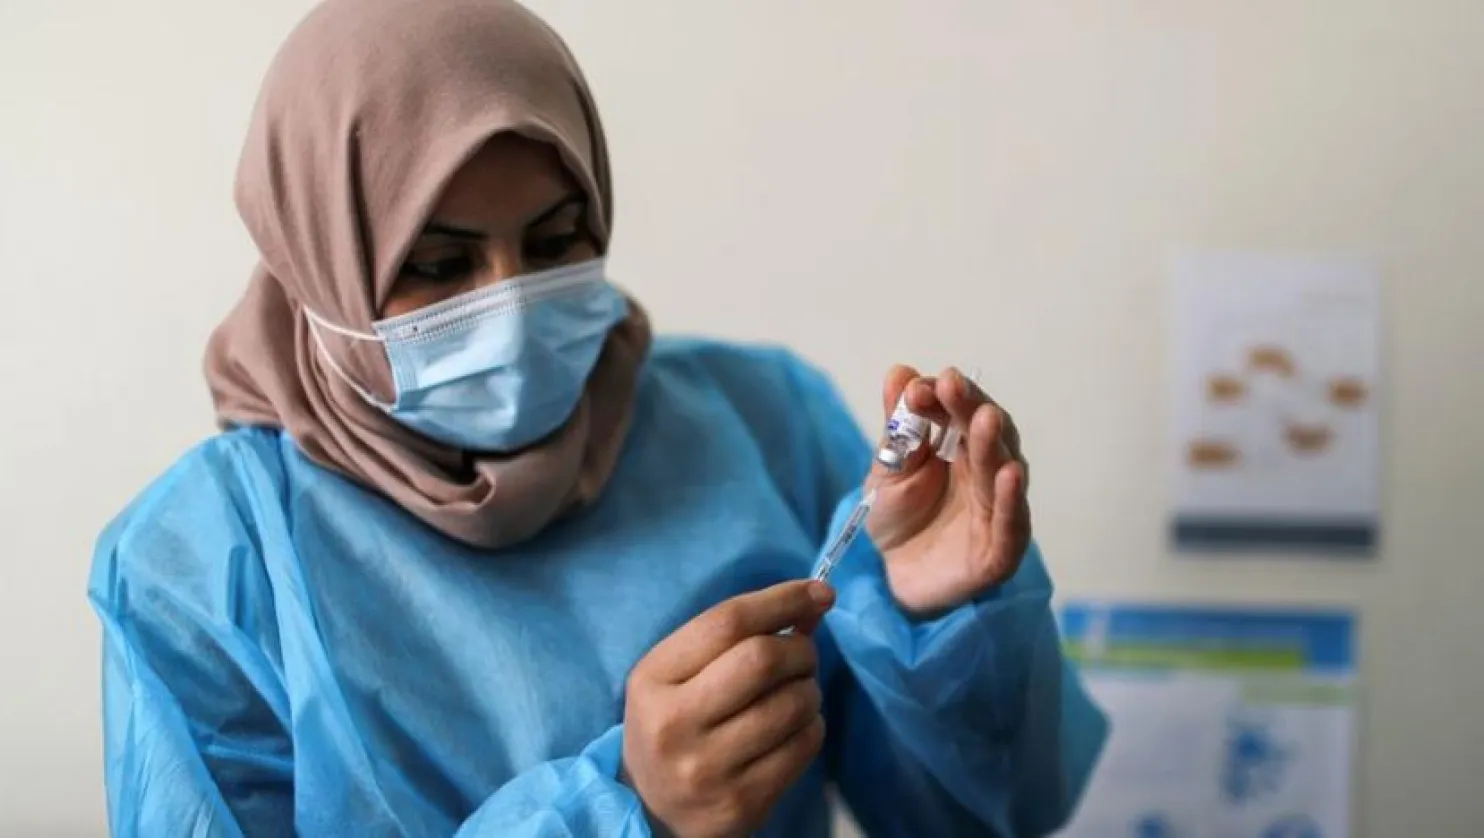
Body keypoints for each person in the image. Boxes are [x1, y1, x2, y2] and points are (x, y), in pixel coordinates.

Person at [87, 0, 1107, 835]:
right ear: (317, 259)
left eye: (556, 239)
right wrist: (620, 809)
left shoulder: (766, 424)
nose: (511, 303)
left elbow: (992, 819)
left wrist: (941, 620)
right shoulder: (206, 566)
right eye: (439, 266)